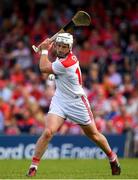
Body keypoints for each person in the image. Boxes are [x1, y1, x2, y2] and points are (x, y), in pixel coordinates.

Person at [27, 33, 121, 177]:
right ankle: (33, 167)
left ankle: (112, 158)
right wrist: (48, 53)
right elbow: (53, 68)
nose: (60, 49)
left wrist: (45, 50)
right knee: (47, 132)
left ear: (69, 48)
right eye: (58, 45)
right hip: (60, 99)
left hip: (77, 102)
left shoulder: (68, 61)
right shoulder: (61, 57)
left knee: (94, 135)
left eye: (64, 47)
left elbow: (44, 67)